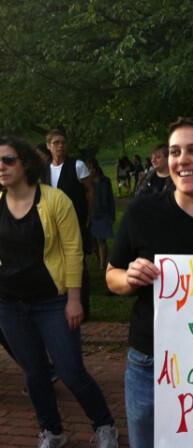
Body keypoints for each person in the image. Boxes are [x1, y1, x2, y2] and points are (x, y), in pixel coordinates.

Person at [106, 117, 193, 448]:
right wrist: (128, 278)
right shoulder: (142, 212)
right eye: (174, 151)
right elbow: (111, 275)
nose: (182, 159)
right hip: (150, 362)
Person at [0, 137, 118, 448]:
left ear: (26, 164)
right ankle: (51, 431)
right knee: (34, 373)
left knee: (70, 370)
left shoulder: (55, 201)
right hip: (10, 304)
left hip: (53, 302)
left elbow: (73, 251)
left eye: (8, 160)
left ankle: (104, 424)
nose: (1, 167)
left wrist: (75, 299)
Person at [45, 128, 93, 320]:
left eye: (63, 142)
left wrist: (89, 216)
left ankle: (83, 306)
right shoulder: (44, 169)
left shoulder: (77, 165)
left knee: (78, 261)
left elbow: (89, 191)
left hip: (76, 220)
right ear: (49, 146)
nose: (60, 146)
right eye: (56, 143)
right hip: (52, 223)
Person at [87, 158, 115, 269]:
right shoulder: (86, 183)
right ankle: (100, 259)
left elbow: (110, 199)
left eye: (92, 167)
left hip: (103, 214)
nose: (91, 170)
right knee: (93, 242)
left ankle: (102, 264)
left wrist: (111, 215)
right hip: (91, 214)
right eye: (89, 168)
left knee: (101, 240)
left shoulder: (105, 181)